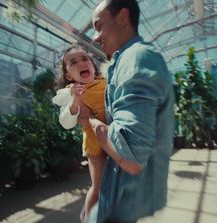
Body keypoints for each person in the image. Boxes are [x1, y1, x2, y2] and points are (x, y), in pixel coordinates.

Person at [78, 0, 175, 222]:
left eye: (99, 26)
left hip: (123, 201)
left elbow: (130, 155)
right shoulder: (128, 60)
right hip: (123, 198)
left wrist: (90, 120)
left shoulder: (136, 59)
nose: (95, 36)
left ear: (122, 18)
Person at [51, 45, 107, 223]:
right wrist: (75, 102)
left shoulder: (106, 81)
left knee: (117, 183)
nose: (81, 63)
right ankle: (87, 218)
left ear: (92, 64)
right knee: (98, 187)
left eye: (85, 59)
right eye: (73, 62)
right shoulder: (70, 93)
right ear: (68, 76)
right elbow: (66, 122)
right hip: (95, 143)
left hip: (114, 136)